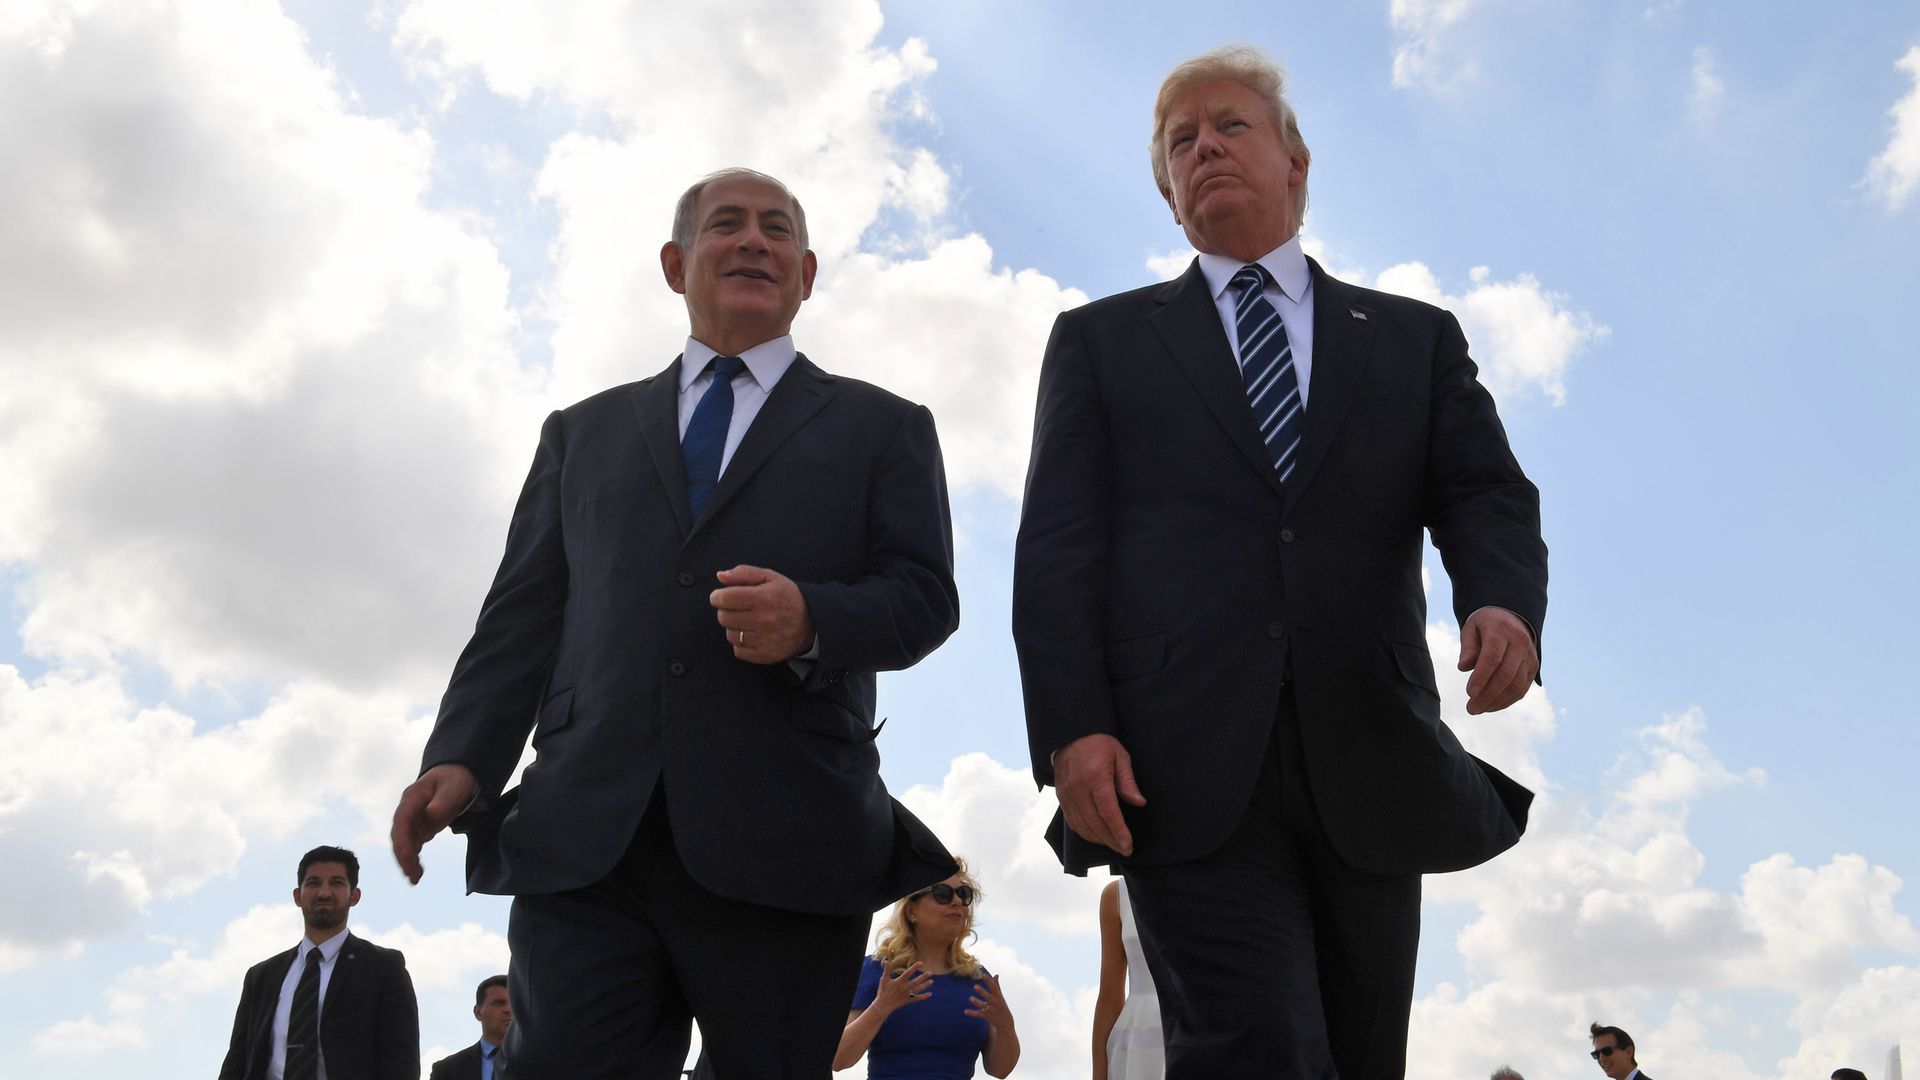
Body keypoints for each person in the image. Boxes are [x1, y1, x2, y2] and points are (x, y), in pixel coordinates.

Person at [1012, 44, 1547, 1080]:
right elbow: (1058, 551)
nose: (1205, 147)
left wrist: (1503, 604)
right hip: (1182, 769)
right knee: (1254, 1047)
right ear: (1168, 195)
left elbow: (1484, 491)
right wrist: (1073, 727)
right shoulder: (1099, 343)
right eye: (1181, 142)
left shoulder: (1413, 339)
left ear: (1295, 163)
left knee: (1357, 1057)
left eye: (1231, 126)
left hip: (1371, 754)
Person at [390, 167, 962, 1079]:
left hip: (790, 837)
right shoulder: (580, 434)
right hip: (588, 842)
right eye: (726, 224)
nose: (753, 241)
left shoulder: (883, 427)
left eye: (776, 229)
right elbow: (521, 618)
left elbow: (925, 599)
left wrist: (812, 618)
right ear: (675, 263)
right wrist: (461, 757)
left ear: (807, 273)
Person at [218, 845, 420, 1080]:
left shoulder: (383, 969)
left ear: (354, 896)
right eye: (314, 883)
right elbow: (237, 1062)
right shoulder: (261, 977)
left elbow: (401, 1064)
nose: (324, 893)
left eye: (336, 883)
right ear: (297, 896)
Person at [835, 860, 1020, 1078]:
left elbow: (1000, 1070)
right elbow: (839, 1059)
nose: (957, 902)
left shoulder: (978, 979)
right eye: (942, 893)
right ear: (911, 910)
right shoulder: (879, 970)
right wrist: (881, 1007)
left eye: (964, 894)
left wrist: (1006, 1025)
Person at [1091, 878, 1162, 1079]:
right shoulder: (1118, 895)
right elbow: (1109, 998)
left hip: (1204, 1036)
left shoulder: (1221, 882)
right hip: (1134, 1052)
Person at [429, 975, 510, 1080]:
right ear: (478, 1012)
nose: (508, 1009)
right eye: (499, 1003)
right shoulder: (446, 1071)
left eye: (514, 1002)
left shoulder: (531, 1061)